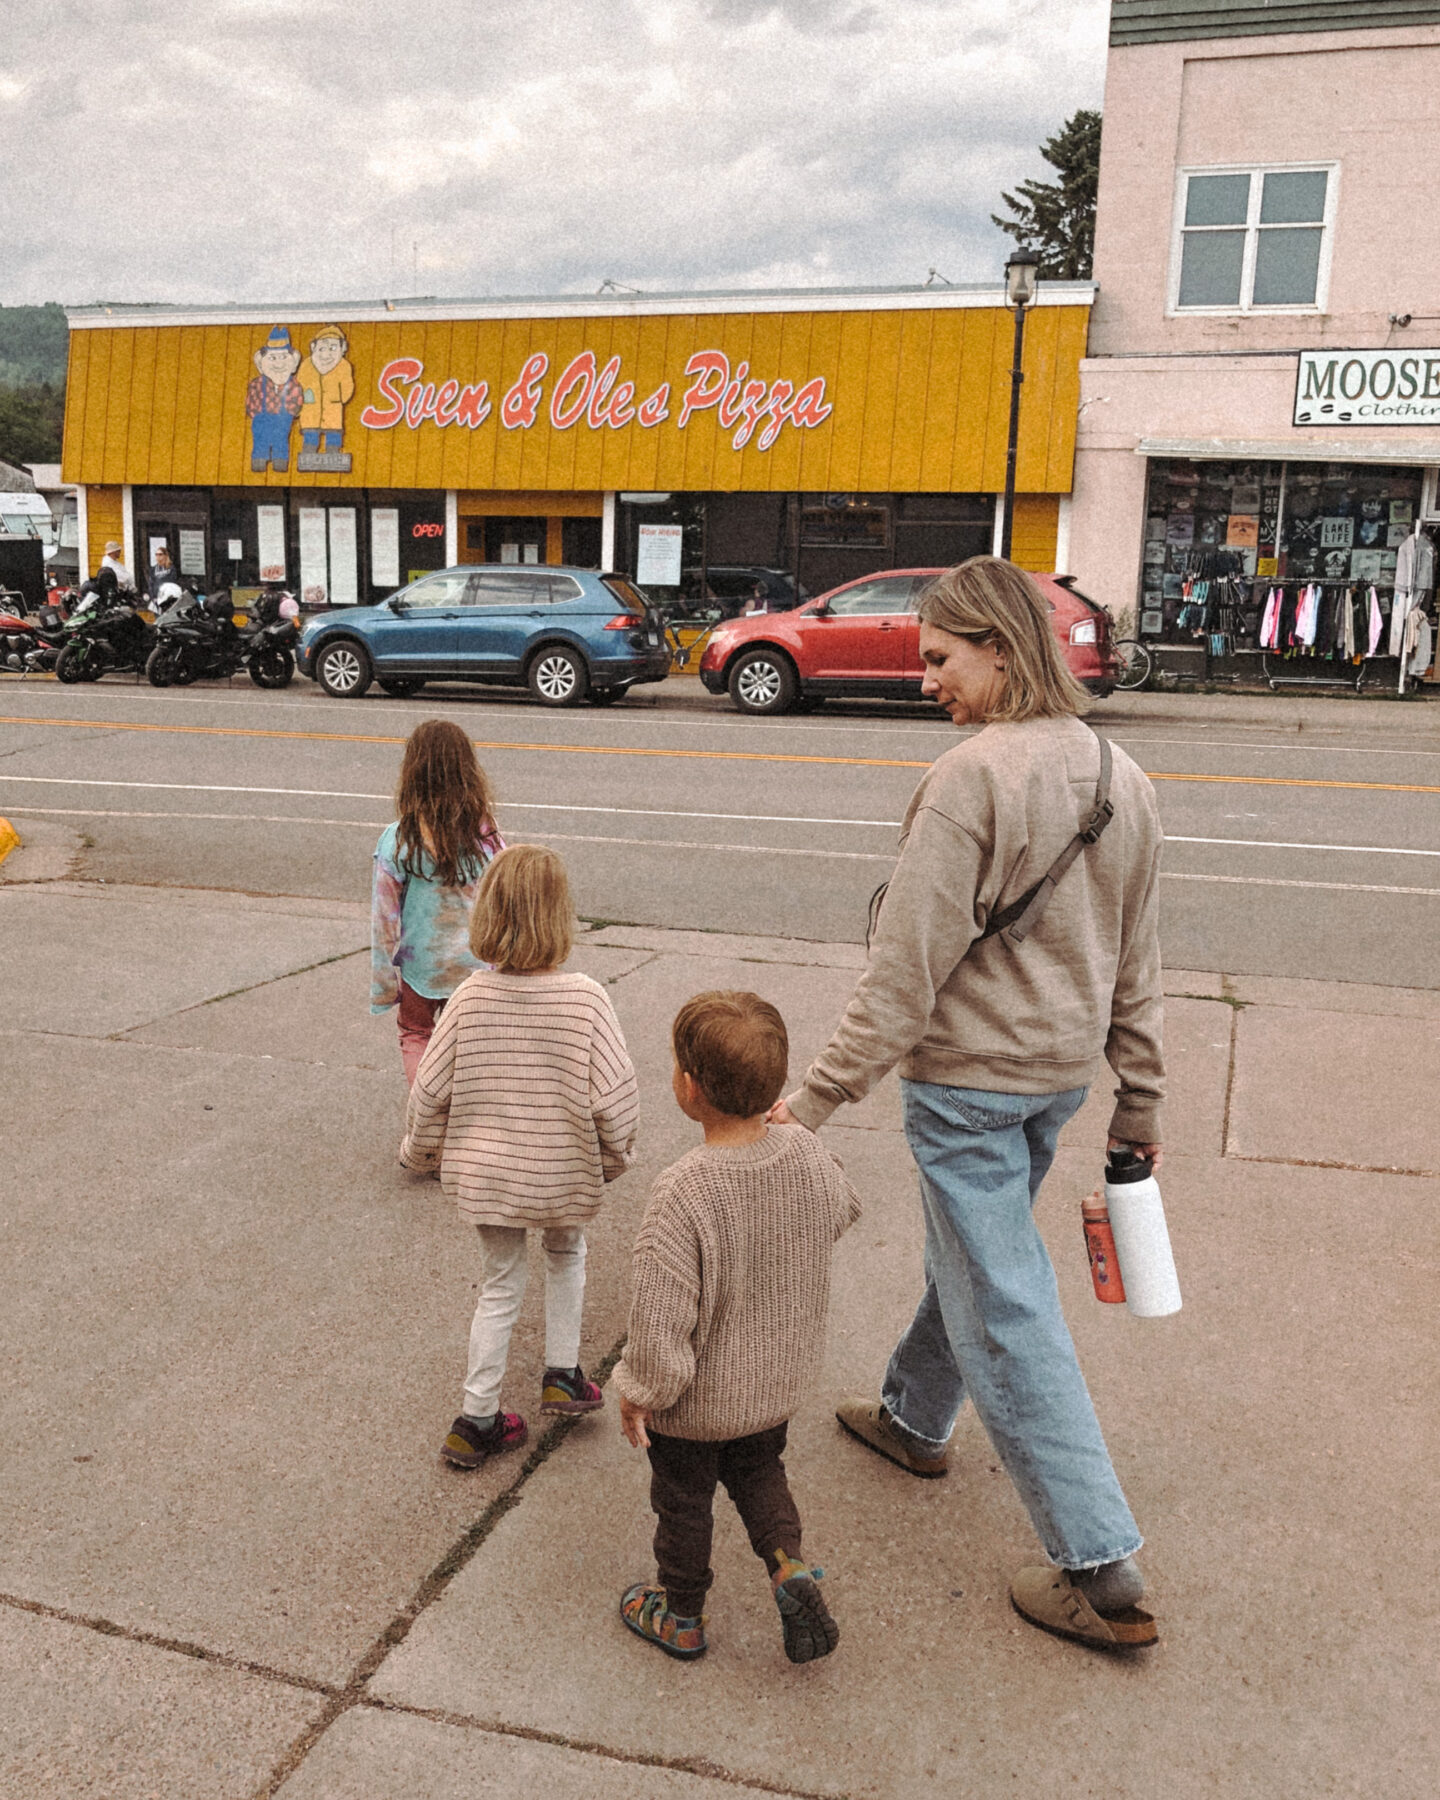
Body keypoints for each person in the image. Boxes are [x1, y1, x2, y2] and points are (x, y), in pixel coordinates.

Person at [770, 555, 1165, 1653]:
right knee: (983, 1258)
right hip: (1057, 1082)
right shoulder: (1120, 777)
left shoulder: (970, 778)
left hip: (968, 1087)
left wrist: (810, 1102)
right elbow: (1140, 963)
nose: (927, 680)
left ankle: (1100, 1565)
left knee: (1007, 1301)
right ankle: (912, 1417)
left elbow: (904, 975)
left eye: (941, 658)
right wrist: (1140, 1103)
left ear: (1000, 646)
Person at [614, 991, 861, 1664]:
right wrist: (800, 1138)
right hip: (771, 1388)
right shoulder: (806, 1158)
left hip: (693, 1410)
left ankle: (683, 1613)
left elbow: (662, 1315)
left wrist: (641, 1391)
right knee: (761, 1478)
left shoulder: (684, 1190)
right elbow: (841, 1209)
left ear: (689, 1089)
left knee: (684, 1505)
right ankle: (789, 1566)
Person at [400, 844, 639, 1469]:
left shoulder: (469, 999)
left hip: (488, 1177)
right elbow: (616, 1100)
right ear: (560, 917)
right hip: (561, 1171)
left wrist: (421, 1152)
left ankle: (476, 1418)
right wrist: (609, 1162)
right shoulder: (586, 1000)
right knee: (567, 1252)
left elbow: (429, 1091)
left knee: (500, 1284)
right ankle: (562, 1373)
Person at [371, 720, 506, 1085]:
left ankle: (426, 1113)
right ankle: (469, 1120)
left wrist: (384, 984)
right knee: (471, 1044)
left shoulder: (398, 839)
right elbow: (504, 895)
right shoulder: (486, 835)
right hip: (476, 965)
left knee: (416, 1033)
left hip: (422, 967)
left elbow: (384, 920)